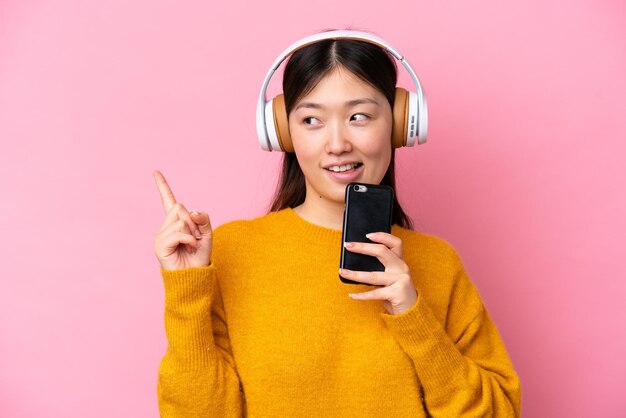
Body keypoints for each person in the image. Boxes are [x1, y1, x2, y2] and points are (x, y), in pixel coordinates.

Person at [153, 30, 521, 417]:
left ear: (400, 123)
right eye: (311, 119)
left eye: (358, 116)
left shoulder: (438, 264)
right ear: (283, 132)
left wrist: (414, 316)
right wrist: (186, 291)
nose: (337, 143)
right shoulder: (232, 252)